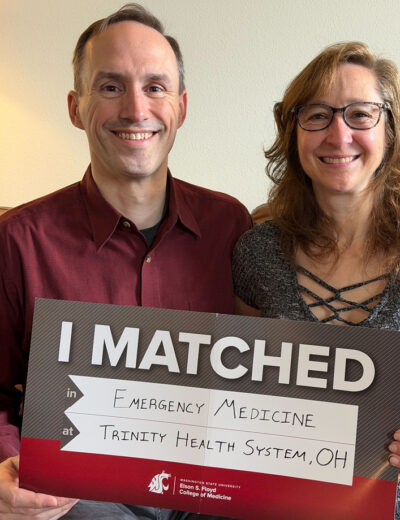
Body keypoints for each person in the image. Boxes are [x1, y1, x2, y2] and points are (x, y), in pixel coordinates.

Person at [0, 4, 251, 519]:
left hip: (212, 484)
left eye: (155, 87)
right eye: (111, 87)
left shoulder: (231, 226)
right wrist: (6, 463)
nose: (136, 109)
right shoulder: (18, 240)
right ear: (75, 107)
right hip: (78, 490)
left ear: (181, 106)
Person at [232, 42, 400, 520]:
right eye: (317, 114)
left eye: (360, 114)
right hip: (284, 502)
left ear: (390, 128)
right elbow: (236, 392)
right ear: (293, 131)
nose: (339, 135)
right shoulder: (257, 252)